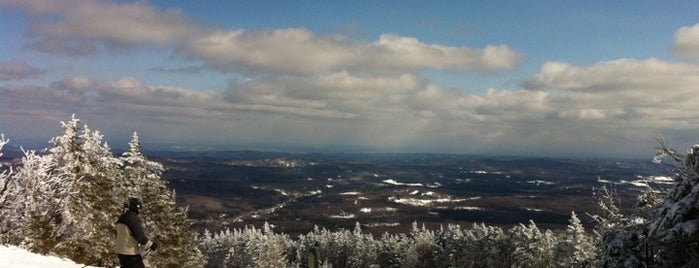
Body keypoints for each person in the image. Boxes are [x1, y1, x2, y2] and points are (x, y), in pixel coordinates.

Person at [115, 197, 158, 268]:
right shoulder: (132, 218)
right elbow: (140, 236)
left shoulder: (122, 217)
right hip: (130, 252)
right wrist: (151, 244)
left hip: (121, 251)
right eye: (139, 207)